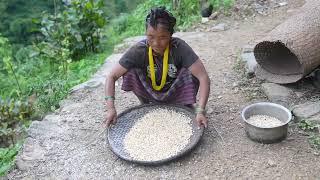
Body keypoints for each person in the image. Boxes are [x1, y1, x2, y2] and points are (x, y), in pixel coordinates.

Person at [104, 7, 210, 128]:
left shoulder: (179, 47)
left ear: (171, 35)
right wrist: (110, 108)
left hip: (175, 91)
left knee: (191, 71)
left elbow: (204, 78)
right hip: (151, 93)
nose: (156, 43)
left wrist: (201, 110)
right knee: (130, 71)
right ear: (145, 34)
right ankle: (146, 104)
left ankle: (185, 104)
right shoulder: (139, 50)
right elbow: (111, 76)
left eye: (163, 37)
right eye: (150, 37)